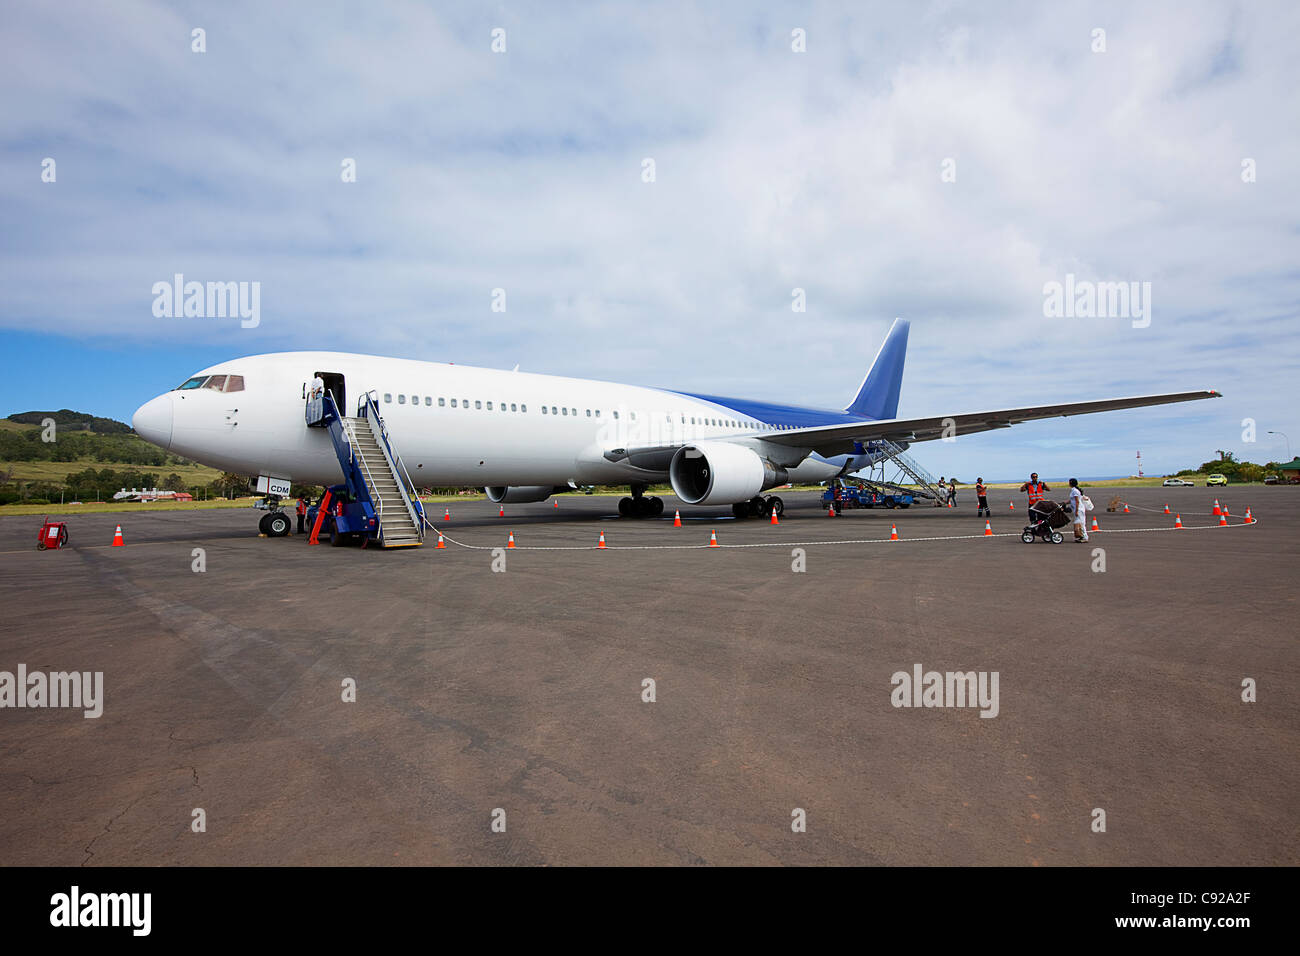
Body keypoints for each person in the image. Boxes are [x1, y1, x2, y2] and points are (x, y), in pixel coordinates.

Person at [1068, 478, 1089, 542]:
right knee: (1079, 523)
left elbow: (1077, 501)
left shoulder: (1075, 491)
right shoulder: (1074, 490)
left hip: (1079, 509)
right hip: (1077, 509)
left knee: (1081, 523)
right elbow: (1072, 500)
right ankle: (1081, 536)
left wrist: (1076, 511)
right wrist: (1064, 503)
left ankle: (1085, 537)